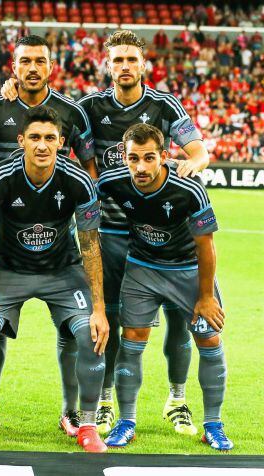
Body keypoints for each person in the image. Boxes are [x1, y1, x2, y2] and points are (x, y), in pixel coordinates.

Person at [0, 34, 95, 436]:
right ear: (13, 66)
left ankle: (73, 414)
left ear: (50, 65)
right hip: (3, 247)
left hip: (58, 246)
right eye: (25, 61)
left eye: (40, 60)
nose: (32, 68)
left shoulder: (72, 113)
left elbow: (89, 171)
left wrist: (80, 210)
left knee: (78, 332)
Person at [77, 30, 210, 435]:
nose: (124, 66)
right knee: (113, 319)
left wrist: (191, 167)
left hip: (164, 232)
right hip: (113, 232)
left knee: (178, 319)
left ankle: (177, 397)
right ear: (107, 65)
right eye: (117, 60)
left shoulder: (164, 105)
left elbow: (199, 150)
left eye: (131, 59)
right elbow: (80, 159)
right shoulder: (90, 107)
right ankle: (104, 401)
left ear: (143, 64)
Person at [0, 106, 109, 453]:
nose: (42, 145)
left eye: (50, 139)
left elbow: (90, 245)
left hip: (62, 271)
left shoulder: (79, 181)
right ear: (21, 140)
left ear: (61, 142)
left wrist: (98, 308)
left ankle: (86, 424)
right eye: (35, 138)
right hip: (8, 268)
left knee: (92, 334)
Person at [96, 123, 232, 451]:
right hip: (142, 270)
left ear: (165, 156)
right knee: (132, 339)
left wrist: (206, 296)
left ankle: (213, 424)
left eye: (148, 158)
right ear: (123, 158)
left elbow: (206, 246)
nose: (140, 167)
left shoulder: (189, 188)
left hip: (188, 271)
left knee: (209, 338)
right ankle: (126, 421)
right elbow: (78, 196)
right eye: (133, 159)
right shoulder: (112, 182)